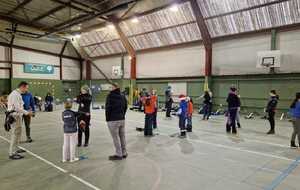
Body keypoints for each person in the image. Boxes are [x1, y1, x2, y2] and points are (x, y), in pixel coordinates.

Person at [7, 81, 33, 160]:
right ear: (22, 87)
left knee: (18, 133)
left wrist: (27, 111)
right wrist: (27, 113)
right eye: (26, 88)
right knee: (15, 134)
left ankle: (17, 148)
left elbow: (21, 105)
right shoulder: (15, 94)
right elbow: (17, 108)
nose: (27, 90)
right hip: (14, 116)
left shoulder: (18, 94)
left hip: (18, 116)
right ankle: (11, 153)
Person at [105, 83, 128, 161]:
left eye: (111, 87)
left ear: (114, 87)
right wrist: (122, 115)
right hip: (122, 119)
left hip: (113, 120)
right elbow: (126, 106)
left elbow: (107, 108)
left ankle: (119, 154)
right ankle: (124, 153)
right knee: (122, 136)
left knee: (116, 138)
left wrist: (107, 119)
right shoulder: (122, 96)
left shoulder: (110, 96)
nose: (109, 88)